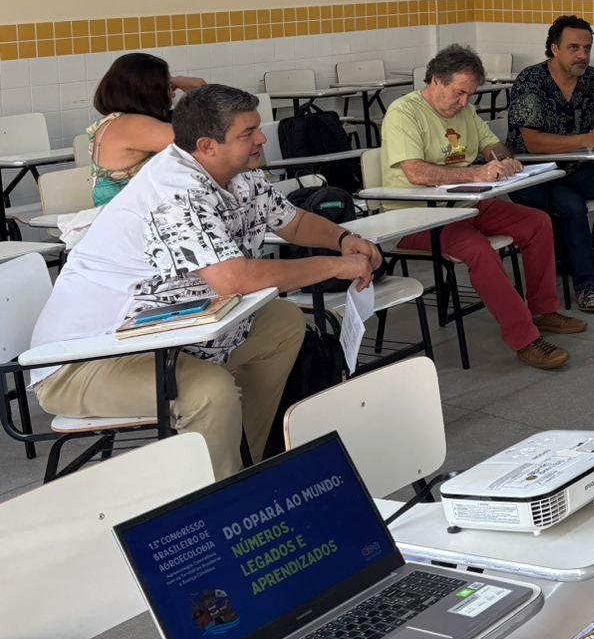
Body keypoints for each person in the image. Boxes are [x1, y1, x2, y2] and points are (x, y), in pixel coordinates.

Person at [29, 85, 383, 476]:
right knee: (209, 392)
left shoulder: (239, 175)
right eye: (248, 133)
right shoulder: (174, 192)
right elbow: (235, 280)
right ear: (207, 146)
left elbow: (293, 221)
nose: (263, 139)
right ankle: (223, 498)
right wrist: (334, 266)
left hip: (171, 334)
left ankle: (249, 464)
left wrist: (343, 239)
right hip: (89, 358)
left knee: (282, 323)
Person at [381, 44, 583, 371]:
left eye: (470, 95)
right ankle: (525, 339)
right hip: (416, 217)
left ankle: (544, 310)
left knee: (537, 223)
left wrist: (503, 159)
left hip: (466, 203)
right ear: (436, 81)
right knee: (478, 250)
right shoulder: (404, 113)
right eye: (459, 93)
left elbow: (492, 145)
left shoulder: (465, 112)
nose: (464, 102)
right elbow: (416, 173)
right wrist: (475, 173)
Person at [508, 15, 594, 315]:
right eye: (574, 48)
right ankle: (585, 285)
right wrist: (586, 139)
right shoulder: (531, 80)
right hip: (533, 173)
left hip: (578, 167)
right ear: (554, 49)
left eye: (587, 48)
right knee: (572, 207)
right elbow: (532, 142)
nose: (582, 55)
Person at [85, 53, 206, 205]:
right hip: (128, 216)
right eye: (167, 87)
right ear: (149, 91)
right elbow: (203, 139)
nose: (173, 93)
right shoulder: (131, 126)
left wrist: (172, 80)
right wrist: (186, 83)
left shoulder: (117, 121)